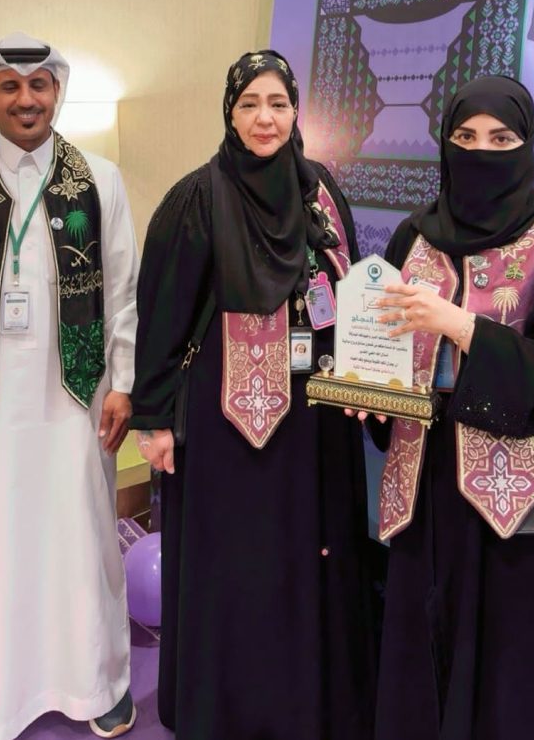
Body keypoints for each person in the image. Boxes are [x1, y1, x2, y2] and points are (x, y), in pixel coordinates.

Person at [131, 50, 375, 740]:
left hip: (314, 415)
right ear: (229, 112)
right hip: (224, 426)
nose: (264, 118)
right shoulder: (196, 198)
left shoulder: (320, 192)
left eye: (277, 103)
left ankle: (309, 706)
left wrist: (366, 372)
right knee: (236, 565)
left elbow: (349, 291)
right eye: (249, 104)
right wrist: (154, 420)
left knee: (307, 555)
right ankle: (229, 711)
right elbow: (162, 315)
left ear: (295, 110)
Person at [370, 75, 534, 740]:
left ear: (526, 144)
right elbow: (383, 345)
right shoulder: (412, 236)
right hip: (424, 483)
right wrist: (368, 397)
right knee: (422, 641)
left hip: (511, 496)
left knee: (506, 661)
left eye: (500, 138)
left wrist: (461, 326)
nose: (480, 151)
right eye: (465, 137)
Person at [0, 33, 139, 740]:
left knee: (77, 531)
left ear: (57, 92)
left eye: (39, 84)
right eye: (10, 86)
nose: (26, 99)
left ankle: (95, 681)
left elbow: (123, 291)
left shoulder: (100, 180)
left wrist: (123, 383)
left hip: (74, 397)